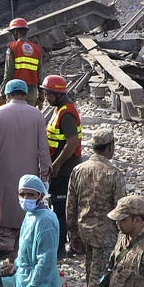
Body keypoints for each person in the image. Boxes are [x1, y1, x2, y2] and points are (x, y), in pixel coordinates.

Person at [67, 128, 127, 287]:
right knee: (99, 281)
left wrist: (72, 233)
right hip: (106, 234)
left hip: (84, 231)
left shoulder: (78, 169)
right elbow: (122, 208)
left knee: (91, 274)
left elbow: (71, 204)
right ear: (110, 147)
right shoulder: (113, 173)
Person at [0, 78, 51, 256]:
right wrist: (45, 177)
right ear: (25, 94)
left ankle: (0, 256)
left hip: (0, 178)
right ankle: (20, 253)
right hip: (28, 179)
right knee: (24, 216)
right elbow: (43, 150)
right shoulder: (37, 115)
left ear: (7, 94)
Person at [3, 175, 62, 287]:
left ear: (41, 196)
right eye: (22, 194)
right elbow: (25, 249)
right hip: (25, 280)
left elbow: (45, 262)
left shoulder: (44, 221)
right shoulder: (31, 214)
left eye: (30, 194)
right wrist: (16, 265)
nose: (25, 199)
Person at [41, 74, 82, 256]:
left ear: (57, 94)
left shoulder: (66, 114)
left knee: (61, 209)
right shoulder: (60, 109)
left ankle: (59, 249)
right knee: (58, 207)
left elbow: (72, 142)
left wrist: (56, 165)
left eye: (48, 94)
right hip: (60, 168)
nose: (46, 98)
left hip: (64, 170)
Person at [0, 17, 44, 106]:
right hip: (32, 93)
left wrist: (2, 93)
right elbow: (40, 73)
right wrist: (41, 94)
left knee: (15, 118)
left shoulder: (12, 47)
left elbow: (8, 73)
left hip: (15, 92)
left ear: (16, 32)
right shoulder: (37, 48)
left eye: (12, 33)